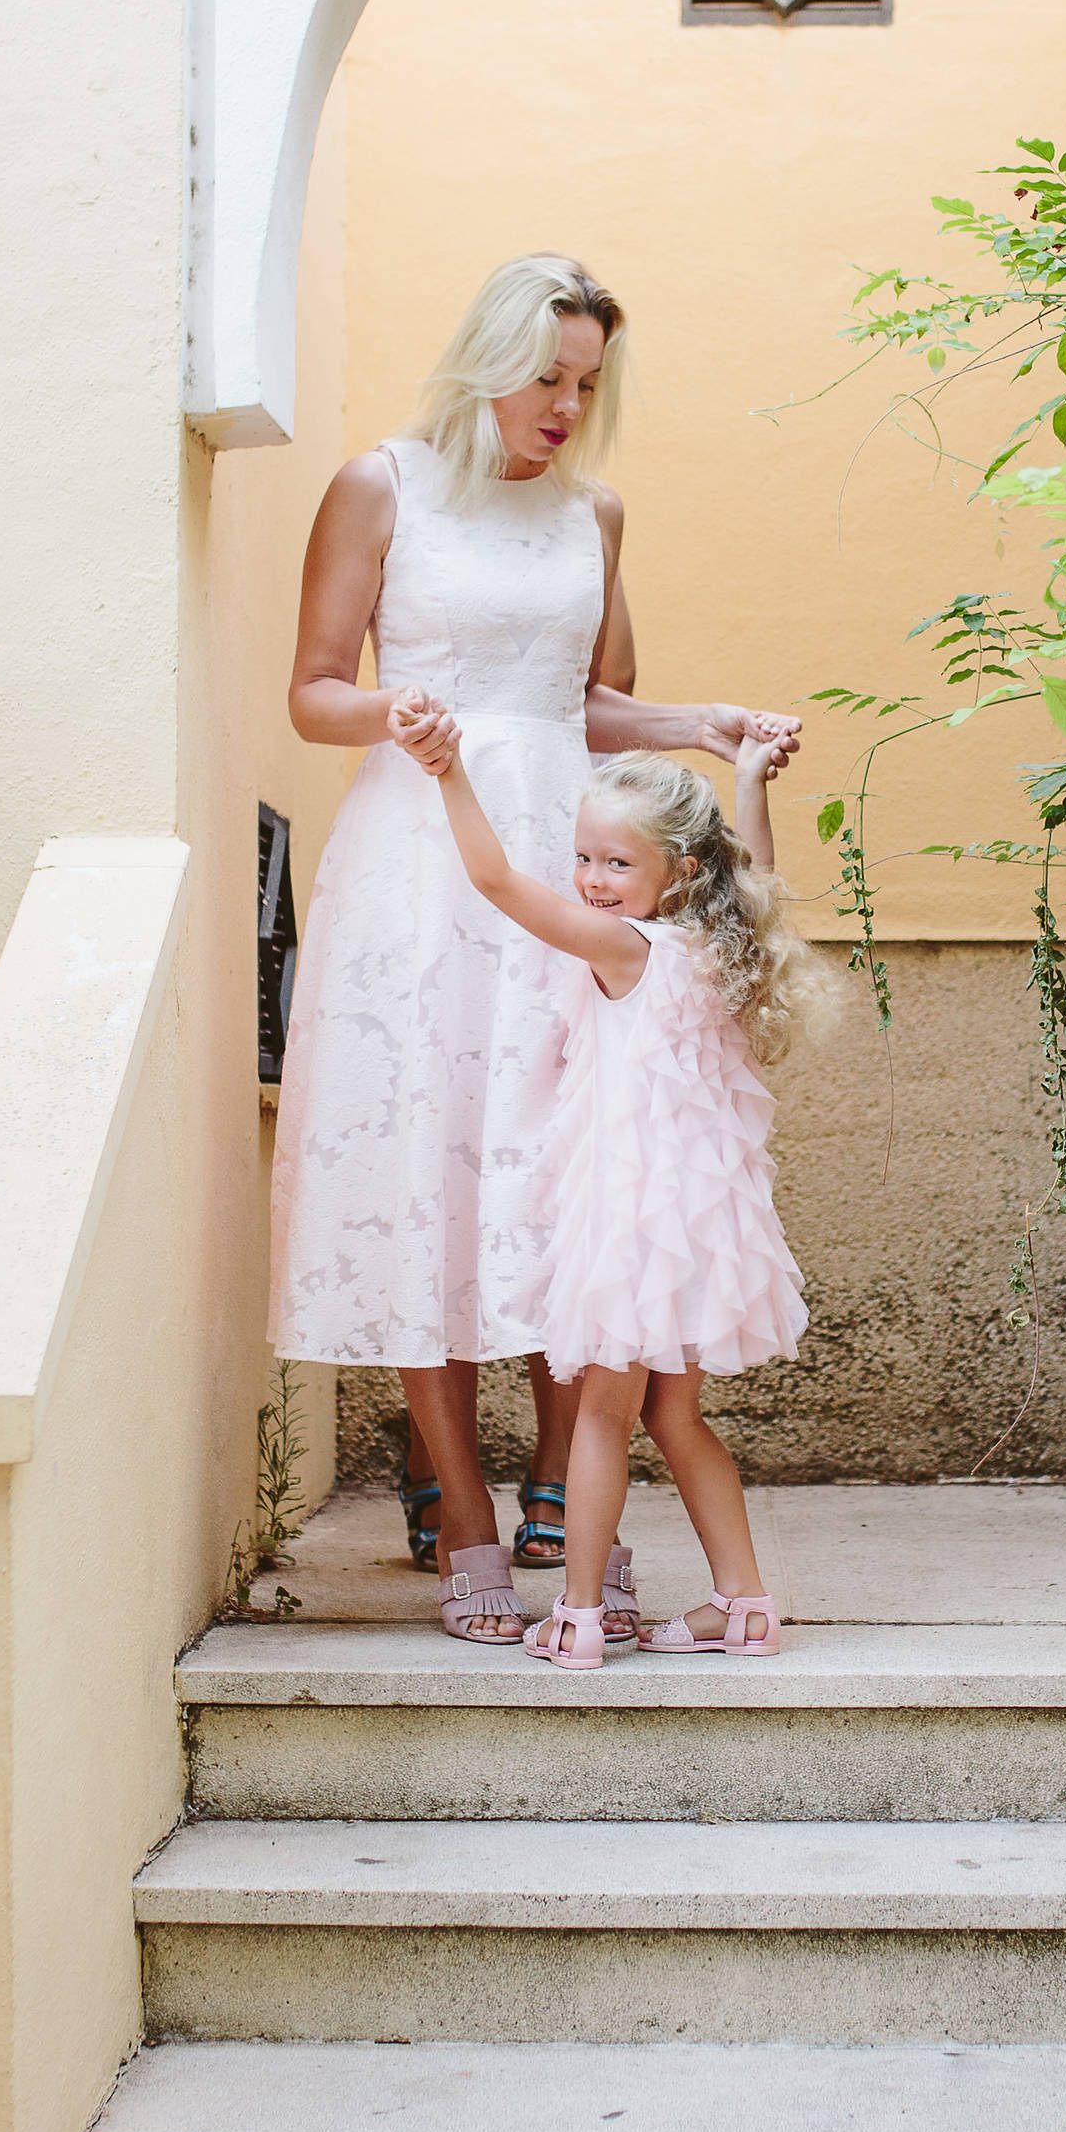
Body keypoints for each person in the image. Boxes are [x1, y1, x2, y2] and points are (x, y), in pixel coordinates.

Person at [270, 252, 800, 1645]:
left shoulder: (595, 515)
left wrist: (711, 726)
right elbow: (318, 689)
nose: (568, 407)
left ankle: (573, 1511)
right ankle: (463, 1514)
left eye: (588, 384)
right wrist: (409, 720)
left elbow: (589, 710)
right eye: (547, 377)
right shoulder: (380, 486)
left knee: (579, 1174)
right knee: (433, 1169)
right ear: (486, 361)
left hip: (569, 877)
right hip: (421, 866)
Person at [397, 717, 819, 1670]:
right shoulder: (723, 943)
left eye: (616, 863)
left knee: (601, 1414)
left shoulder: (628, 950)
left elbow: (499, 883)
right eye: (583, 856)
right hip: (701, 1227)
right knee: (677, 1418)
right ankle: (744, 1604)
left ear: (675, 872)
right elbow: (752, 866)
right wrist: (749, 777)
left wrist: (451, 771)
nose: (591, 878)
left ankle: (579, 1614)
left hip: (630, 1223)